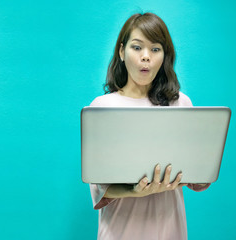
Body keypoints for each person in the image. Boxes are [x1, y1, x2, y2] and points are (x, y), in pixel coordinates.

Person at [89, 12, 210, 240]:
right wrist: (133, 190)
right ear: (121, 52)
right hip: (121, 231)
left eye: (155, 49)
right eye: (137, 48)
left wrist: (203, 169)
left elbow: (197, 175)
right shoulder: (103, 106)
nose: (146, 57)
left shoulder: (181, 103)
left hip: (170, 229)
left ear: (165, 56)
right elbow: (98, 186)